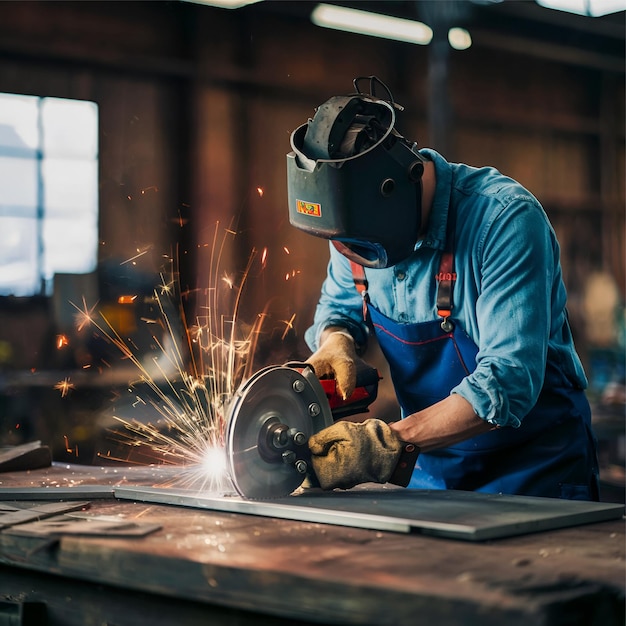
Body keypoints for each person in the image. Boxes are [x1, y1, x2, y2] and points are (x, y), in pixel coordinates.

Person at [286, 76, 600, 500]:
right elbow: (340, 307)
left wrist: (385, 444)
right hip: (430, 474)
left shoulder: (504, 221)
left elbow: (507, 381)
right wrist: (335, 340)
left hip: (534, 471)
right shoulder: (353, 230)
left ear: (393, 192)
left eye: (356, 245)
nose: (347, 254)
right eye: (340, 243)